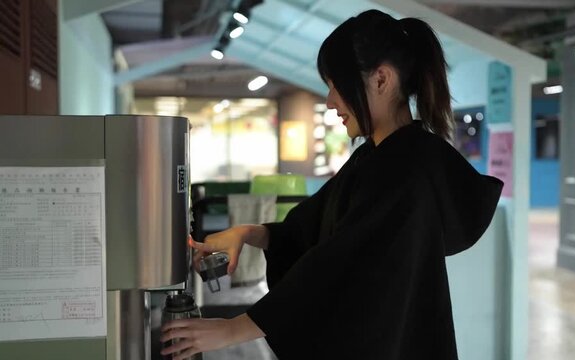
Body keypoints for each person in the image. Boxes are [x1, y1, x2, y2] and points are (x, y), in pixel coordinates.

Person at [161, 9, 503, 360]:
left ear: (381, 80)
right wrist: (247, 233)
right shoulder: (374, 157)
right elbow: (308, 231)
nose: (330, 101)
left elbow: (337, 266)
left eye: (335, 86)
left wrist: (232, 329)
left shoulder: (407, 169)